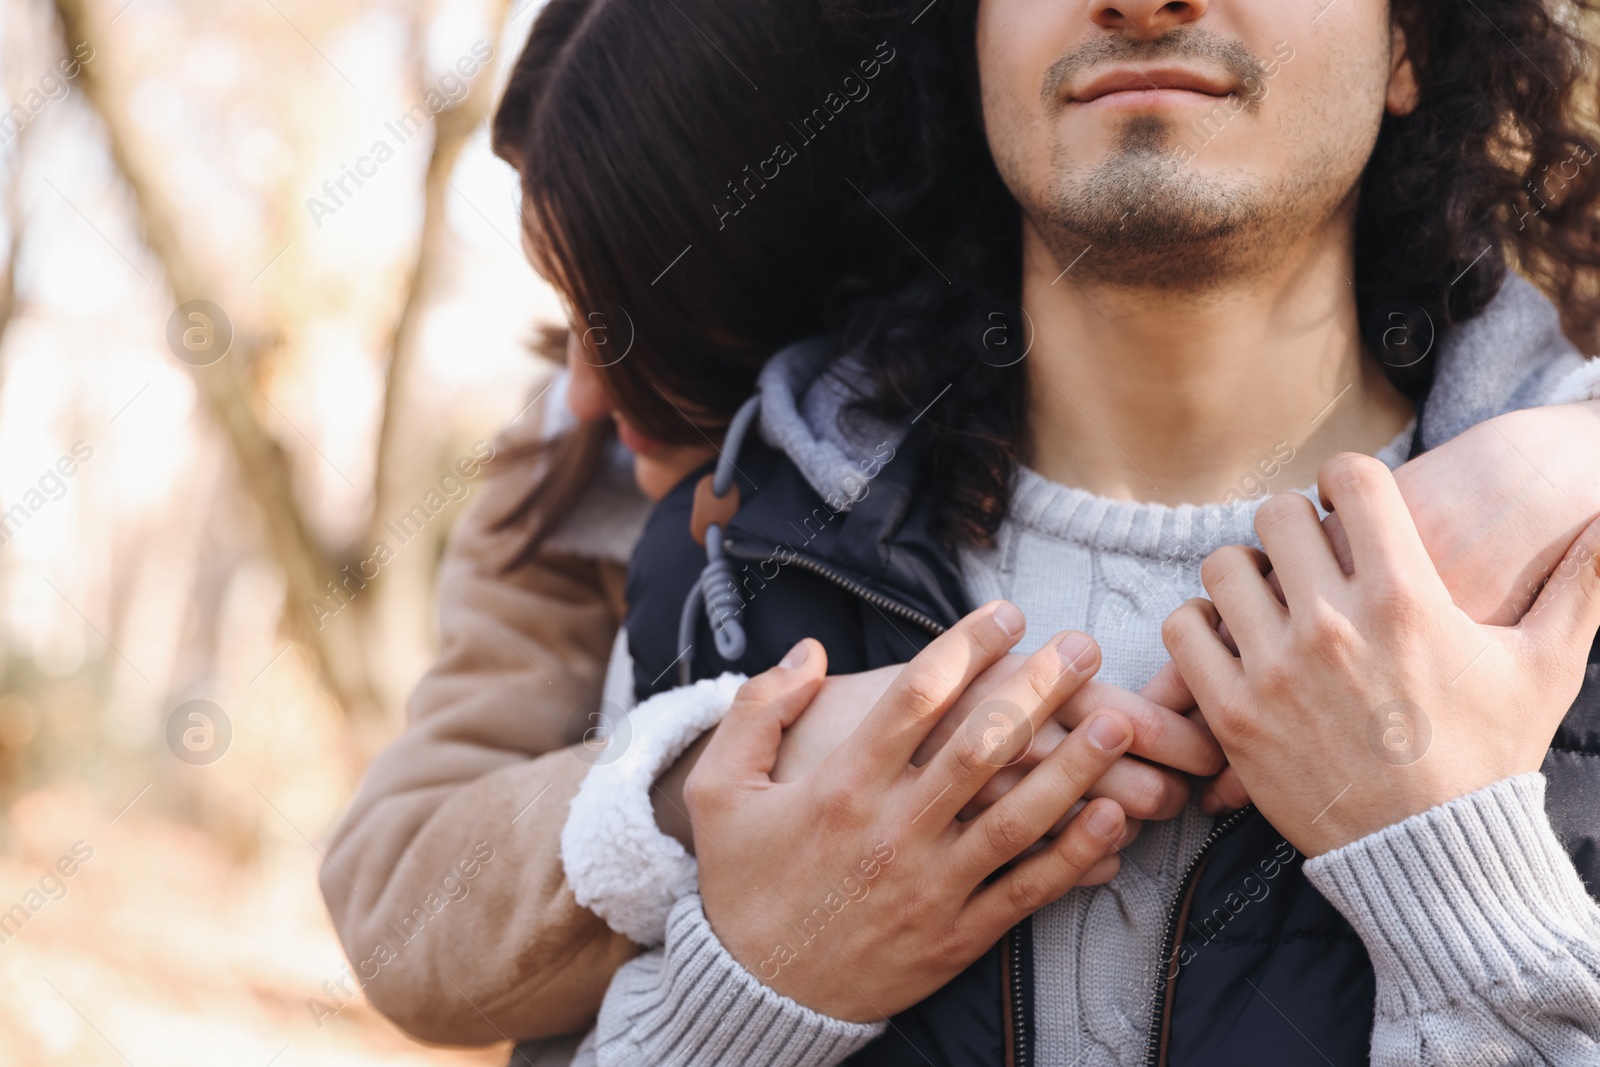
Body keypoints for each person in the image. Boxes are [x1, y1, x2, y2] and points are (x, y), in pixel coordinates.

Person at [549, 1, 1600, 1065]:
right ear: (965, 43)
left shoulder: (1581, 551)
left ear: (1407, 45)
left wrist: (1455, 876)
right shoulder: (733, 564)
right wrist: (751, 995)